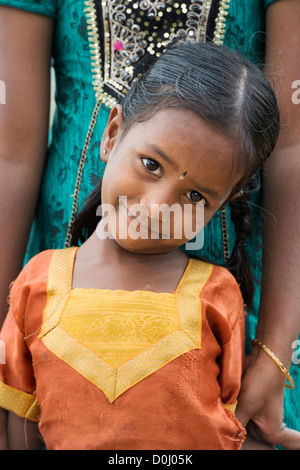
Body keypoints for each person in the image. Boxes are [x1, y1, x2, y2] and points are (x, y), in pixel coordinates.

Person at [0, 0, 299, 448]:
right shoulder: (36, 288)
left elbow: (230, 429)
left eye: (196, 195)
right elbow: (10, 152)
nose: (159, 208)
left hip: (259, 295)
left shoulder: (219, 301)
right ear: (112, 133)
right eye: (150, 165)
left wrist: (273, 349)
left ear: (229, 199)